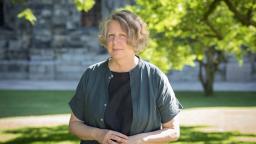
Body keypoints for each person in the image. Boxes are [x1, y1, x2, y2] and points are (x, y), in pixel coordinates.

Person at [68, 10, 182, 144]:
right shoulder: (91, 75)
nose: (115, 41)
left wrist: (139, 140)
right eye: (111, 35)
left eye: (123, 35)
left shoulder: (155, 77)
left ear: (136, 38)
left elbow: (173, 131)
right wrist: (98, 134)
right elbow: (74, 125)